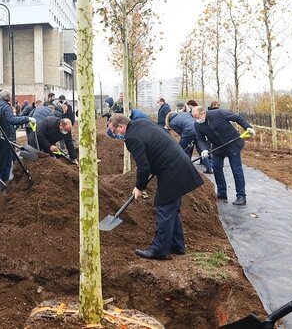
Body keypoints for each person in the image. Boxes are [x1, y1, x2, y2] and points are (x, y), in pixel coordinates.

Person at [106, 114, 203, 260]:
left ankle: (159, 251)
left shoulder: (131, 138)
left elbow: (143, 167)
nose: (115, 135)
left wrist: (139, 187)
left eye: (115, 132)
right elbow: (156, 144)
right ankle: (177, 245)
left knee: (164, 208)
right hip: (179, 164)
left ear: (121, 126)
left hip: (172, 171)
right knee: (172, 209)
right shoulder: (142, 122)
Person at [191, 105, 255, 206]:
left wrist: (248, 127)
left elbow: (237, 118)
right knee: (216, 167)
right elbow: (200, 139)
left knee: (236, 169)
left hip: (233, 144)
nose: (195, 119)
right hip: (218, 147)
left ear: (203, 113)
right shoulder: (197, 125)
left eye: (197, 117)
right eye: (194, 117)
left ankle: (241, 196)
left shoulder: (218, 113)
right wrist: (204, 150)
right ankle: (222, 193)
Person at [0, 90, 34, 182]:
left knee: (6, 159)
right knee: (8, 162)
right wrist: (27, 118)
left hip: (0, 135)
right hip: (8, 136)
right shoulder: (6, 107)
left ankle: (10, 179)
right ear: (8, 98)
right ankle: (8, 181)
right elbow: (11, 120)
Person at [167, 109, 213, 174]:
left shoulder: (172, 123)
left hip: (188, 132)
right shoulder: (185, 113)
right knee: (201, 150)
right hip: (198, 129)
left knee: (180, 149)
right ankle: (209, 168)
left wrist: (189, 140)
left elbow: (180, 132)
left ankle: (179, 165)